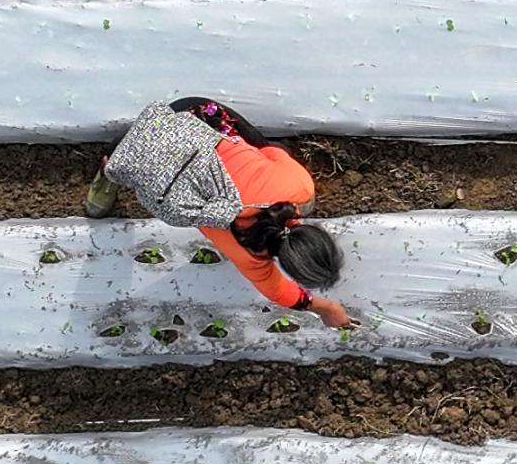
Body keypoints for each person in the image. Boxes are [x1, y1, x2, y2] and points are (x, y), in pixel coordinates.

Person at [81, 96, 353, 329]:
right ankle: (114, 165)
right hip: (150, 158)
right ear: (284, 262)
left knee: (272, 149)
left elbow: (273, 153)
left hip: (188, 115)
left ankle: (107, 174)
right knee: (131, 156)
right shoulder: (251, 257)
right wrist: (325, 308)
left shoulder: (299, 189)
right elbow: (280, 293)